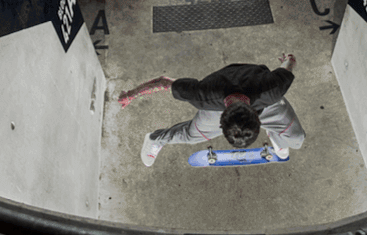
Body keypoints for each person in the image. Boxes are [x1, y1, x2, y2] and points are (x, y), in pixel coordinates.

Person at [118, 53, 305, 166]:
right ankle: (154, 139)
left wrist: (287, 59)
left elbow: (290, 63)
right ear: (222, 120)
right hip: (222, 103)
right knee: (190, 135)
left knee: (297, 139)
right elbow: (164, 82)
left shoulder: (272, 90)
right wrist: (131, 94)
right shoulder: (204, 95)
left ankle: (275, 134)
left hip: (268, 106)